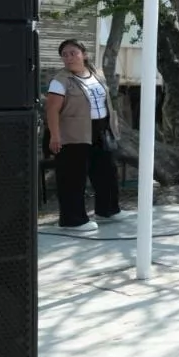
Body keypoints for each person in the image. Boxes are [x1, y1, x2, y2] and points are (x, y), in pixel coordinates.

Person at [43, 39, 127, 231]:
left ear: (84, 54)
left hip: (100, 129)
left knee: (106, 171)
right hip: (73, 134)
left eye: (73, 53)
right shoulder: (60, 81)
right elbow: (52, 111)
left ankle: (108, 210)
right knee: (73, 177)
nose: (69, 57)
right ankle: (72, 220)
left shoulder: (96, 73)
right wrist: (55, 137)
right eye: (64, 54)